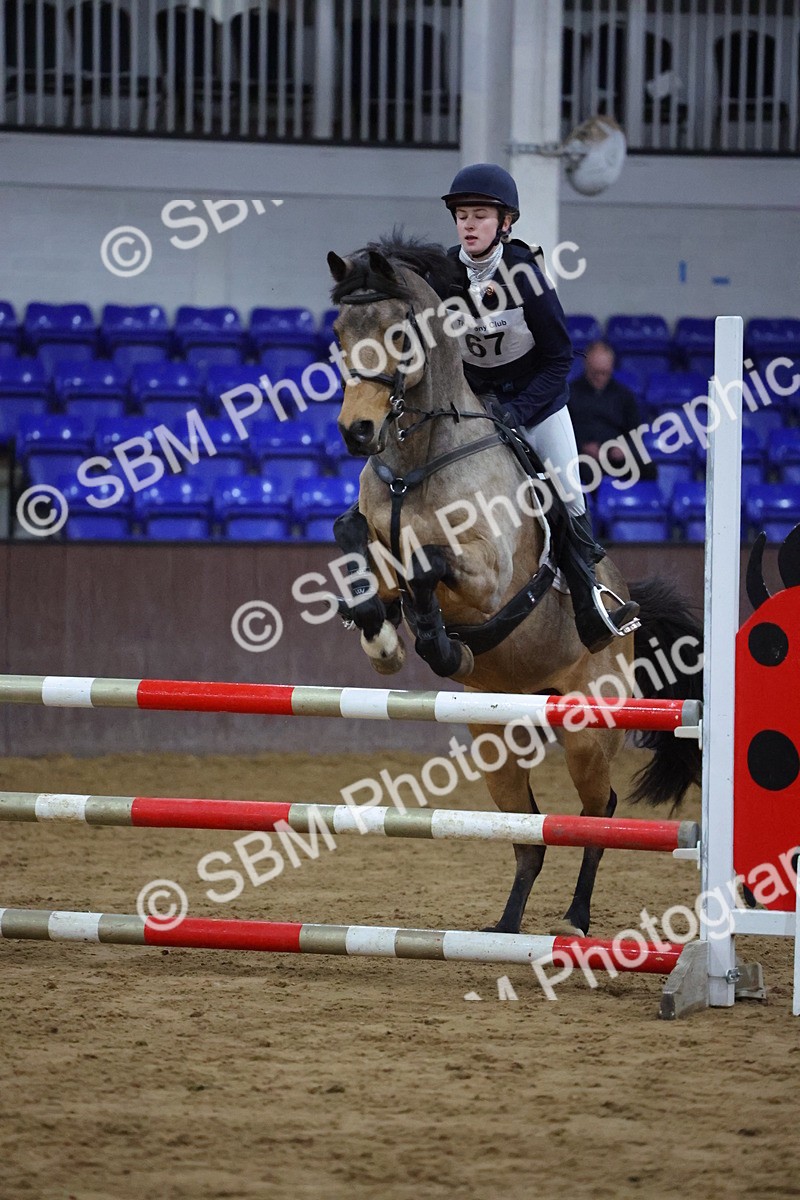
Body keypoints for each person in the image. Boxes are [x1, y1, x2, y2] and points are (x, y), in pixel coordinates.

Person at [440, 162, 639, 653]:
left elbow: (557, 359)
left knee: (569, 492)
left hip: (539, 401)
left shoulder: (526, 274)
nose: (468, 224)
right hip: (476, 404)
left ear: (505, 222)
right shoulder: (444, 272)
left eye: (480, 215)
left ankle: (591, 601)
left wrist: (520, 409)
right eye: (462, 215)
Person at [568, 340, 649, 484]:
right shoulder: (570, 394)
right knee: (584, 471)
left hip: (615, 456)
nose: (599, 377)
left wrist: (625, 448)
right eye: (595, 373)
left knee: (648, 468)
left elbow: (636, 432)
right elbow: (564, 432)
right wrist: (582, 447)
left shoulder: (624, 395)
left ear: (611, 367)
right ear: (586, 365)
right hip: (584, 457)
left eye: (604, 373)